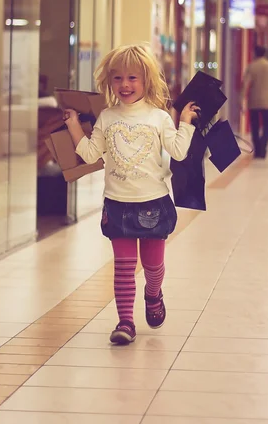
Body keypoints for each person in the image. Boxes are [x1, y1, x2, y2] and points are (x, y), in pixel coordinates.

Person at [63, 44, 198, 345]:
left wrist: (185, 123)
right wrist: (73, 124)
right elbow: (88, 154)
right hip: (118, 204)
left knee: (153, 267)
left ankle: (153, 294)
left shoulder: (159, 117)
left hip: (153, 203)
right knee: (123, 268)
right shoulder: (108, 117)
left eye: (133, 78)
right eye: (118, 78)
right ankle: (125, 322)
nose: (125, 85)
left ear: (147, 80)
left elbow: (178, 150)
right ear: (109, 82)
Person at [241, 45, 268, 159]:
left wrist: (242, 101)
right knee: (267, 126)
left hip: (253, 101)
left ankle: (258, 150)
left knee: (254, 126)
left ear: (255, 53)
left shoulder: (251, 67)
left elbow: (245, 85)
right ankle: (262, 146)